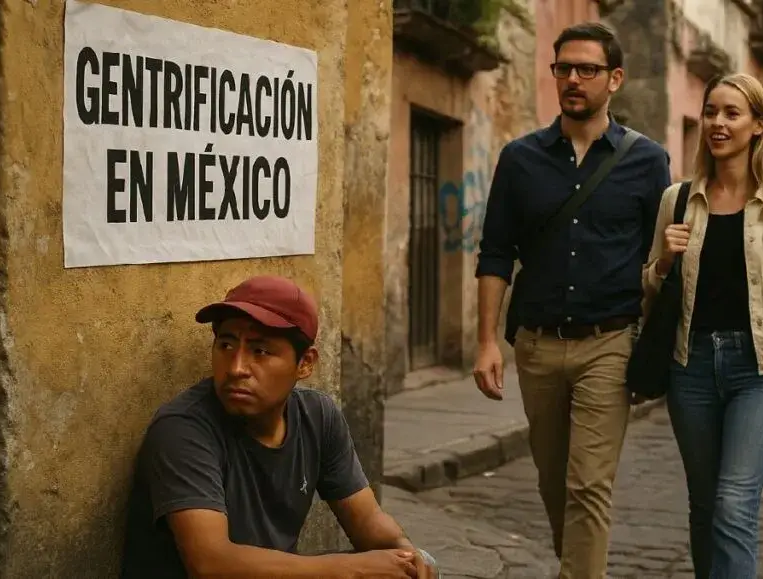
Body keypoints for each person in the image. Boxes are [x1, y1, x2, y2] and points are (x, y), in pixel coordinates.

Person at [473, 21, 671, 578]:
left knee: (588, 485)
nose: (574, 79)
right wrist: (486, 342)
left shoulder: (648, 161)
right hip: (536, 346)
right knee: (554, 481)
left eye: (588, 69)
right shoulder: (520, 159)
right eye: (564, 68)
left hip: (609, 342)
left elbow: (658, 261)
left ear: (615, 79)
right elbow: (495, 254)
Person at [120, 275, 438, 578]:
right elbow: (211, 565)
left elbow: (369, 522)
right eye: (226, 345)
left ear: (305, 363)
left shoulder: (318, 416)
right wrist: (354, 570)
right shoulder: (183, 429)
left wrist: (410, 558)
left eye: (260, 351)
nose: (237, 368)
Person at [641, 73, 763, 578]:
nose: (717, 123)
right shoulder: (677, 199)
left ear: (759, 125)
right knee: (705, 505)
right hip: (691, 368)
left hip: (762, 371)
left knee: (733, 503)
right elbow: (649, 290)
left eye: (731, 113)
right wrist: (663, 262)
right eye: (710, 112)